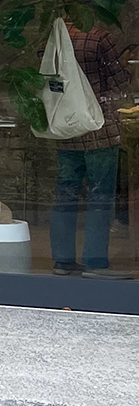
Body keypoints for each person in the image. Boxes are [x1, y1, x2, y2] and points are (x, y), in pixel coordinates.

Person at [52, 21, 132, 280]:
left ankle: (62, 260)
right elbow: (120, 81)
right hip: (100, 128)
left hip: (68, 128)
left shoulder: (55, 37)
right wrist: (127, 61)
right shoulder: (99, 38)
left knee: (66, 195)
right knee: (100, 196)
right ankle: (95, 261)